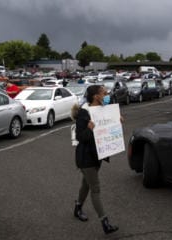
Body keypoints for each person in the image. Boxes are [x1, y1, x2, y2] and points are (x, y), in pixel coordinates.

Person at [71, 85, 119, 235]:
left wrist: (116, 120)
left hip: (97, 155)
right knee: (95, 188)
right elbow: (80, 137)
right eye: (104, 93)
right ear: (96, 96)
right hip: (86, 158)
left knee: (86, 184)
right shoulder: (84, 114)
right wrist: (89, 128)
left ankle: (78, 208)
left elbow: (108, 128)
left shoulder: (103, 110)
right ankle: (105, 222)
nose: (107, 95)